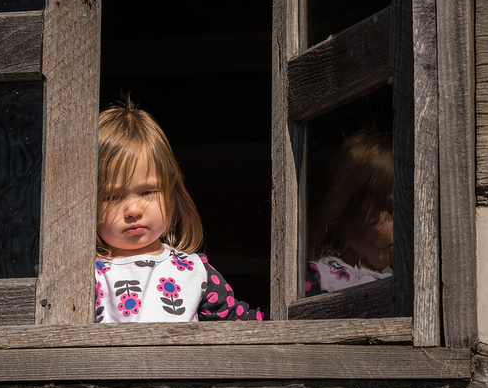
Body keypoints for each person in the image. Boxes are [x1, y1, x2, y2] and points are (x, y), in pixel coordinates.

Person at [94, 101, 264, 323]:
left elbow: (242, 325)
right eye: (113, 197)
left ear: (171, 194)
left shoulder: (196, 272)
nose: (133, 210)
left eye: (147, 192)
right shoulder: (88, 275)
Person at [305, 130, 394, 296]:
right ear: (349, 215)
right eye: (391, 210)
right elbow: (271, 318)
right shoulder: (321, 279)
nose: (403, 224)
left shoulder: (405, 279)